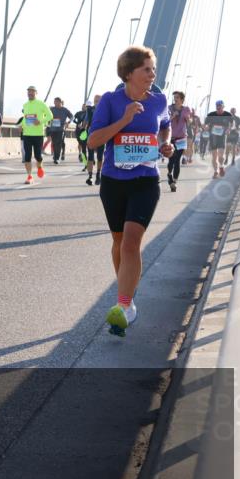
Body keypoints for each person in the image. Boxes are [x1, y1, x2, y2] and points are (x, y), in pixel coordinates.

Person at [87, 45, 172, 337]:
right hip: (113, 182)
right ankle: (129, 298)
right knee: (119, 241)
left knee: (131, 242)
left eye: (153, 69)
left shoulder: (159, 101)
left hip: (146, 181)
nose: (153, 74)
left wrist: (165, 143)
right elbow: (93, 141)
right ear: (129, 73)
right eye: (146, 69)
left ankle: (123, 306)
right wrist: (124, 120)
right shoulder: (110, 101)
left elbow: (165, 125)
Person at [19, 86, 53, 184]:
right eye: (28, 92)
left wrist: (40, 121)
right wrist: (21, 125)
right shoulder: (25, 105)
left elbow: (50, 116)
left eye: (32, 92)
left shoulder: (41, 104)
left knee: (38, 156)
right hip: (27, 134)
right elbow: (25, 118)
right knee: (27, 156)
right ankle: (29, 176)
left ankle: (40, 167)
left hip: (38, 134)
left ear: (36, 93)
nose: (30, 93)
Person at [166, 91, 191, 192]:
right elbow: (165, 121)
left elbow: (189, 122)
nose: (175, 99)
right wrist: (173, 116)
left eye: (177, 97)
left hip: (181, 138)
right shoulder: (169, 108)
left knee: (177, 160)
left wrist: (188, 119)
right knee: (171, 160)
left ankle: (174, 182)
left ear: (182, 99)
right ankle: (169, 175)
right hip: (171, 138)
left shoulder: (186, 109)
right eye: (174, 97)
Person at [205, 100, 233, 178]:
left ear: (223, 106)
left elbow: (232, 124)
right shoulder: (211, 115)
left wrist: (229, 129)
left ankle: (221, 166)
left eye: (220, 106)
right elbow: (205, 124)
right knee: (214, 156)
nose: (218, 107)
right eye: (217, 106)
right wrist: (206, 127)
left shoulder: (228, 115)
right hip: (213, 137)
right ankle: (215, 172)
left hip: (222, 137)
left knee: (221, 155)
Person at [47, 97, 73, 164]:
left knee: (59, 143)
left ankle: (57, 158)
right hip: (53, 129)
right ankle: (56, 155)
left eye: (56, 102)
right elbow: (46, 116)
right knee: (54, 143)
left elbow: (72, 116)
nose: (55, 103)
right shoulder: (51, 109)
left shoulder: (65, 110)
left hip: (61, 129)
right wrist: (48, 122)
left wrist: (68, 122)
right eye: (54, 102)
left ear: (60, 102)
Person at [85, 93, 104, 186]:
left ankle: (98, 174)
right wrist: (83, 128)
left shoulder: (105, 109)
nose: (97, 102)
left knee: (100, 156)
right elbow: (86, 121)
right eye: (95, 100)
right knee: (90, 156)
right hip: (91, 135)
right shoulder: (90, 110)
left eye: (98, 100)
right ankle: (90, 176)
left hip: (101, 135)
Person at [74, 102, 90, 168]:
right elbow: (73, 119)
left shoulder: (89, 113)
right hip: (78, 131)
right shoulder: (78, 113)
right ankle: (81, 155)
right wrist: (77, 123)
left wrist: (86, 126)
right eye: (83, 106)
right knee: (80, 143)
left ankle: (87, 160)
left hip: (85, 131)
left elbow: (90, 120)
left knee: (85, 145)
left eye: (85, 106)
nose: (83, 107)